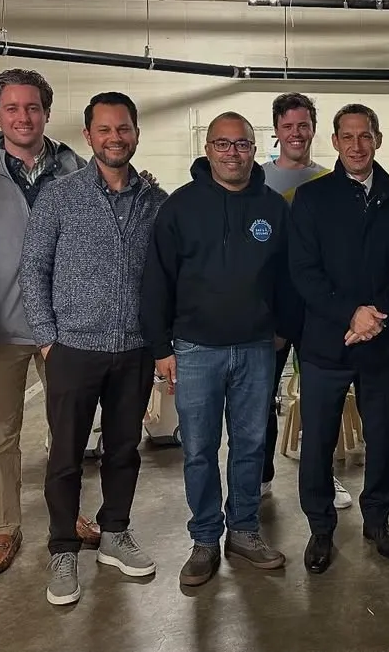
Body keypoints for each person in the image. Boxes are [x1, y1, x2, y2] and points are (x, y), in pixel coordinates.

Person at [19, 92, 168, 605]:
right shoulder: (59, 196)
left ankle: (114, 534)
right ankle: (63, 547)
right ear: (88, 136)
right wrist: (46, 338)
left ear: (135, 132)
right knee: (65, 455)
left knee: (124, 449)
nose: (115, 138)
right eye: (104, 129)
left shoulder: (154, 201)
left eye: (123, 128)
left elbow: (166, 274)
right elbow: (34, 268)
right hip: (74, 349)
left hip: (133, 350)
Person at [0, 68, 97, 577]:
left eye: (32, 107)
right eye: (11, 108)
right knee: (2, 433)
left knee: (68, 429)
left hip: (66, 328)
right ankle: (5, 527)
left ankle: (66, 513)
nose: (23, 117)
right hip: (2, 327)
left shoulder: (77, 170)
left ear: (47, 113)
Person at [140, 112, 298, 586]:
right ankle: (205, 537)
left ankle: (244, 530)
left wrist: (282, 330)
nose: (233, 153)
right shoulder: (179, 207)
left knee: (250, 445)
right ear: (208, 149)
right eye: (223, 144)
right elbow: (156, 281)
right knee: (200, 450)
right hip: (194, 349)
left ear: (256, 148)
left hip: (255, 348)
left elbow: (290, 278)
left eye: (243, 144)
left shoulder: (273, 207)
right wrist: (160, 347)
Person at [289, 103, 389, 574]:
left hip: (381, 343)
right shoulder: (312, 199)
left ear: (378, 139)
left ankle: (377, 521)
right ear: (335, 142)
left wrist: (377, 315)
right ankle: (321, 529)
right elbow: (303, 273)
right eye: (347, 136)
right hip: (327, 343)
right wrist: (351, 313)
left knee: (383, 438)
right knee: (319, 441)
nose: (356, 145)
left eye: (365, 135)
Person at [258, 92, 352, 511]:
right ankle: (258, 477)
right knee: (260, 400)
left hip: (320, 313)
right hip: (273, 310)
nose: (296, 134)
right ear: (276, 131)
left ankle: (323, 478)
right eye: (288, 126)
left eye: (303, 126)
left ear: (315, 130)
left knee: (319, 403)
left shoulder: (331, 180)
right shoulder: (257, 181)